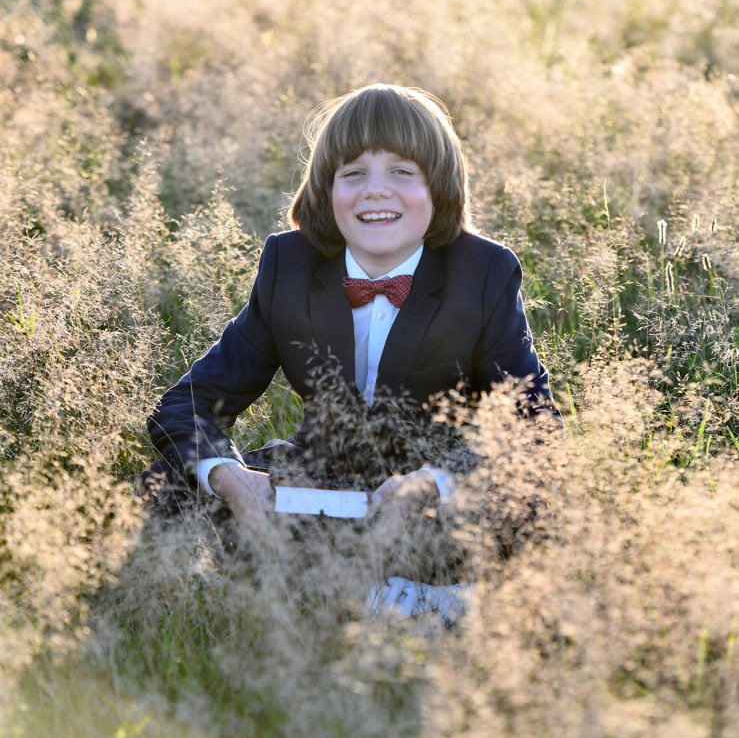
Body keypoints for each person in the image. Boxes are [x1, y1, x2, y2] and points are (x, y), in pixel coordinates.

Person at [142, 83, 559, 523]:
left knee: (520, 518)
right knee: (160, 492)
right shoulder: (291, 263)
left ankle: (415, 587)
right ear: (326, 190)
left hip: (428, 498)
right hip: (315, 481)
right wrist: (229, 476)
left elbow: (534, 426)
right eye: (354, 173)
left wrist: (432, 483)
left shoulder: (483, 272)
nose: (375, 190)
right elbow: (187, 403)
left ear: (440, 187)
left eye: (402, 171)